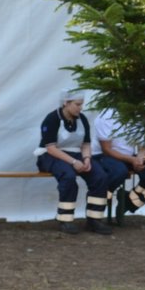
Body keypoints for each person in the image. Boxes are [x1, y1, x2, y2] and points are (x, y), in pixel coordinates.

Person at [36, 91, 114, 235]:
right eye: (77, 104)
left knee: (100, 176)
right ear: (66, 103)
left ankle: (94, 219)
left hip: (76, 154)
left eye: (81, 104)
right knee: (68, 176)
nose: (80, 108)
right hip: (51, 155)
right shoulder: (52, 118)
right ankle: (65, 219)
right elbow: (51, 148)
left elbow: (85, 144)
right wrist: (73, 162)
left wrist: (87, 159)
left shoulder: (82, 119)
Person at [89, 105, 145, 216]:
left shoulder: (138, 115)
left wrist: (141, 157)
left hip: (127, 157)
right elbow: (106, 149)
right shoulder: (106, 116)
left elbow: (142, 147)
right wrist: (132, 160)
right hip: (103, 156)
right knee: (119, 172)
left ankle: (128, 203)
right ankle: (94, 214)